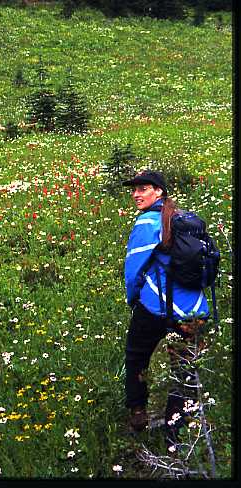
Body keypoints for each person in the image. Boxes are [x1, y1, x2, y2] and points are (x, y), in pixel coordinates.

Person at [122, 170, 209, 450]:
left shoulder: (148, 222)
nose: (136, 194)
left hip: (156, 307)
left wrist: (133, 298)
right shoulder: (184, 218)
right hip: (194, 310)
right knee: (183, 370)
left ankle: (137, 413)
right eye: (134, 190)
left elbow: (133, 269)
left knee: (136, 356)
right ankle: (177, 436)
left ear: (159, 192)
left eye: (143, 189)